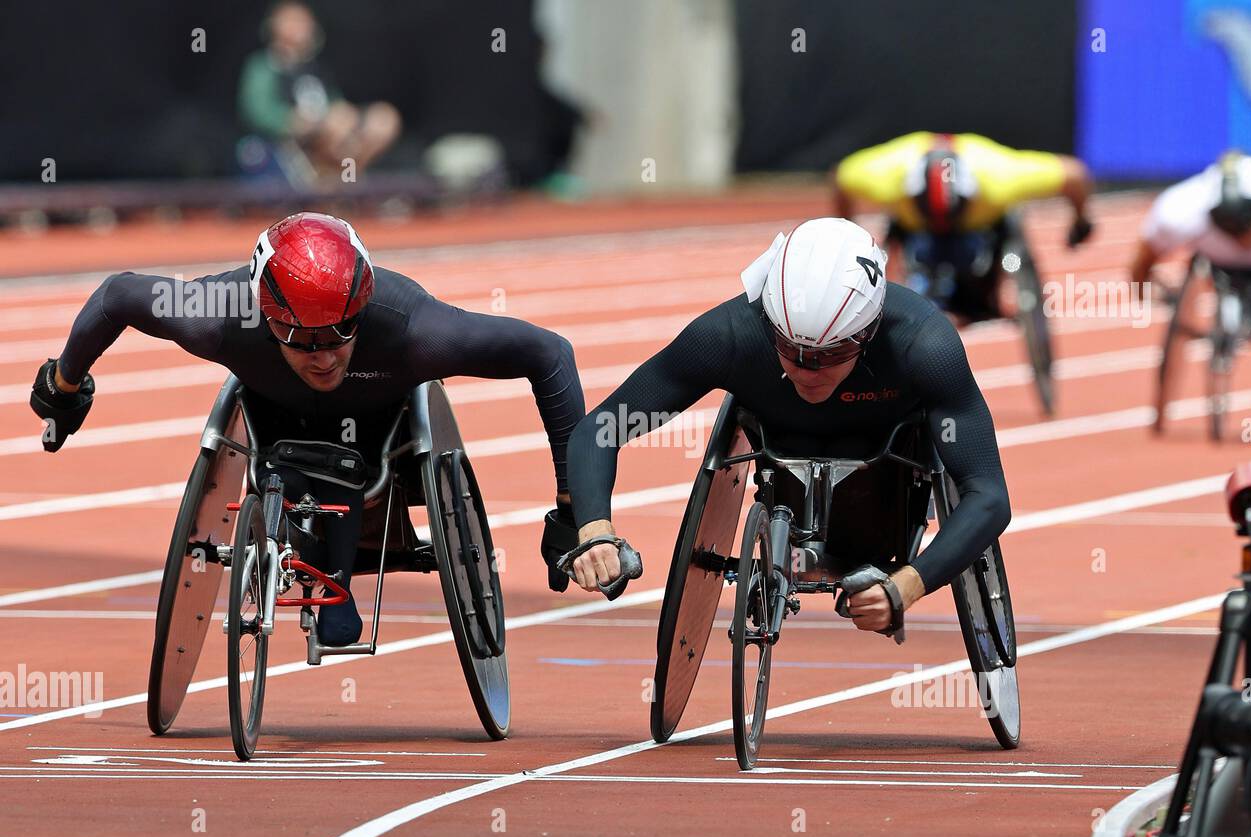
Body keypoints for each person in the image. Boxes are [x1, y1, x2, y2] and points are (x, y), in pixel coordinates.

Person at [29, 212, 585, 646]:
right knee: (289, 450)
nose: (322, 356)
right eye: (300, 338)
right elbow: (118, 295)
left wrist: (573, 507)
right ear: (266, 319)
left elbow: (550, 354)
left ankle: (332, 581)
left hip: (375, 429)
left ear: (362, 307)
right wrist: (64, 383)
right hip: (274, 420)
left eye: (340, 332)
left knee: (347, 456)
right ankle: (319, 567)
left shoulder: (416, 331)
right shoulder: (218, 315)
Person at [561, 218, 1012, 636]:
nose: (806, 369)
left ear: (868, 332)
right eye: (789, 348)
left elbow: (988, 495)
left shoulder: (925, 345)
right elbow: (600, 429)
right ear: (769, 322)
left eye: (830, 354)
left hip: (888, 480)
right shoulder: (728, 336)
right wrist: (594, 531)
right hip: (780, 461)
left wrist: (907, 586)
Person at [833, 131, 1094, 318]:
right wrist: (849, 232)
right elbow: (840, 179)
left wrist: (1081, 222)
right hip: (914, 229)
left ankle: (978, 297)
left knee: (974, 281)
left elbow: (1074, 174)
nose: (943, 225)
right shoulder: (888, 177)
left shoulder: (1000, 178)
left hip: (980, 227)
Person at [1131, 149, 1251, 336]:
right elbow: (1145, 256)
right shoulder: (1178, 213)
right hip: (1223, 271)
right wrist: (1141, 292)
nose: (1241, 241)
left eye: (1245, 228)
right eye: (1229, 229)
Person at [238, 1, 401, 181]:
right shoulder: (264, 66)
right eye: (293, 20)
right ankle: (331, 179)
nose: (301, 26)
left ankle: (347, 178)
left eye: (304, 21)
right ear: (274, 25)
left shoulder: (314, 67)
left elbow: (333, 101)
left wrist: (347, 116)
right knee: (339, 121)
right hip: (295, 138)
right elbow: (257, 110)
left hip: (330, 129)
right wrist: (292, 122)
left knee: (383, 119)